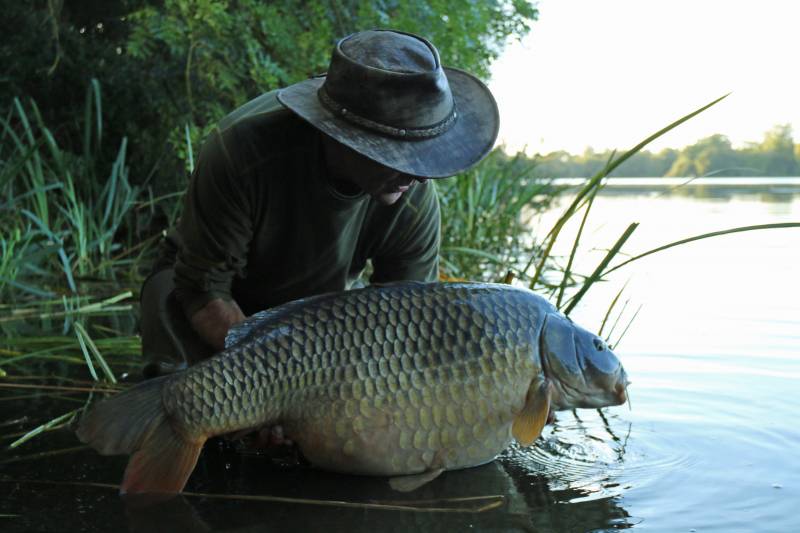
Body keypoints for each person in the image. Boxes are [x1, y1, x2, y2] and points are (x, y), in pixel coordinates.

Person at [140, 29, 500, 378]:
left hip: (315, 321)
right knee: (182, 399)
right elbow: (204, 290)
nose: (419, 175)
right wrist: (274, 379)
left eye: (425, 156)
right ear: (341, 135)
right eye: (401, 155)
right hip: (208, 296)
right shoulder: (242, 152)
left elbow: (405, 326)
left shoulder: (414, 200)